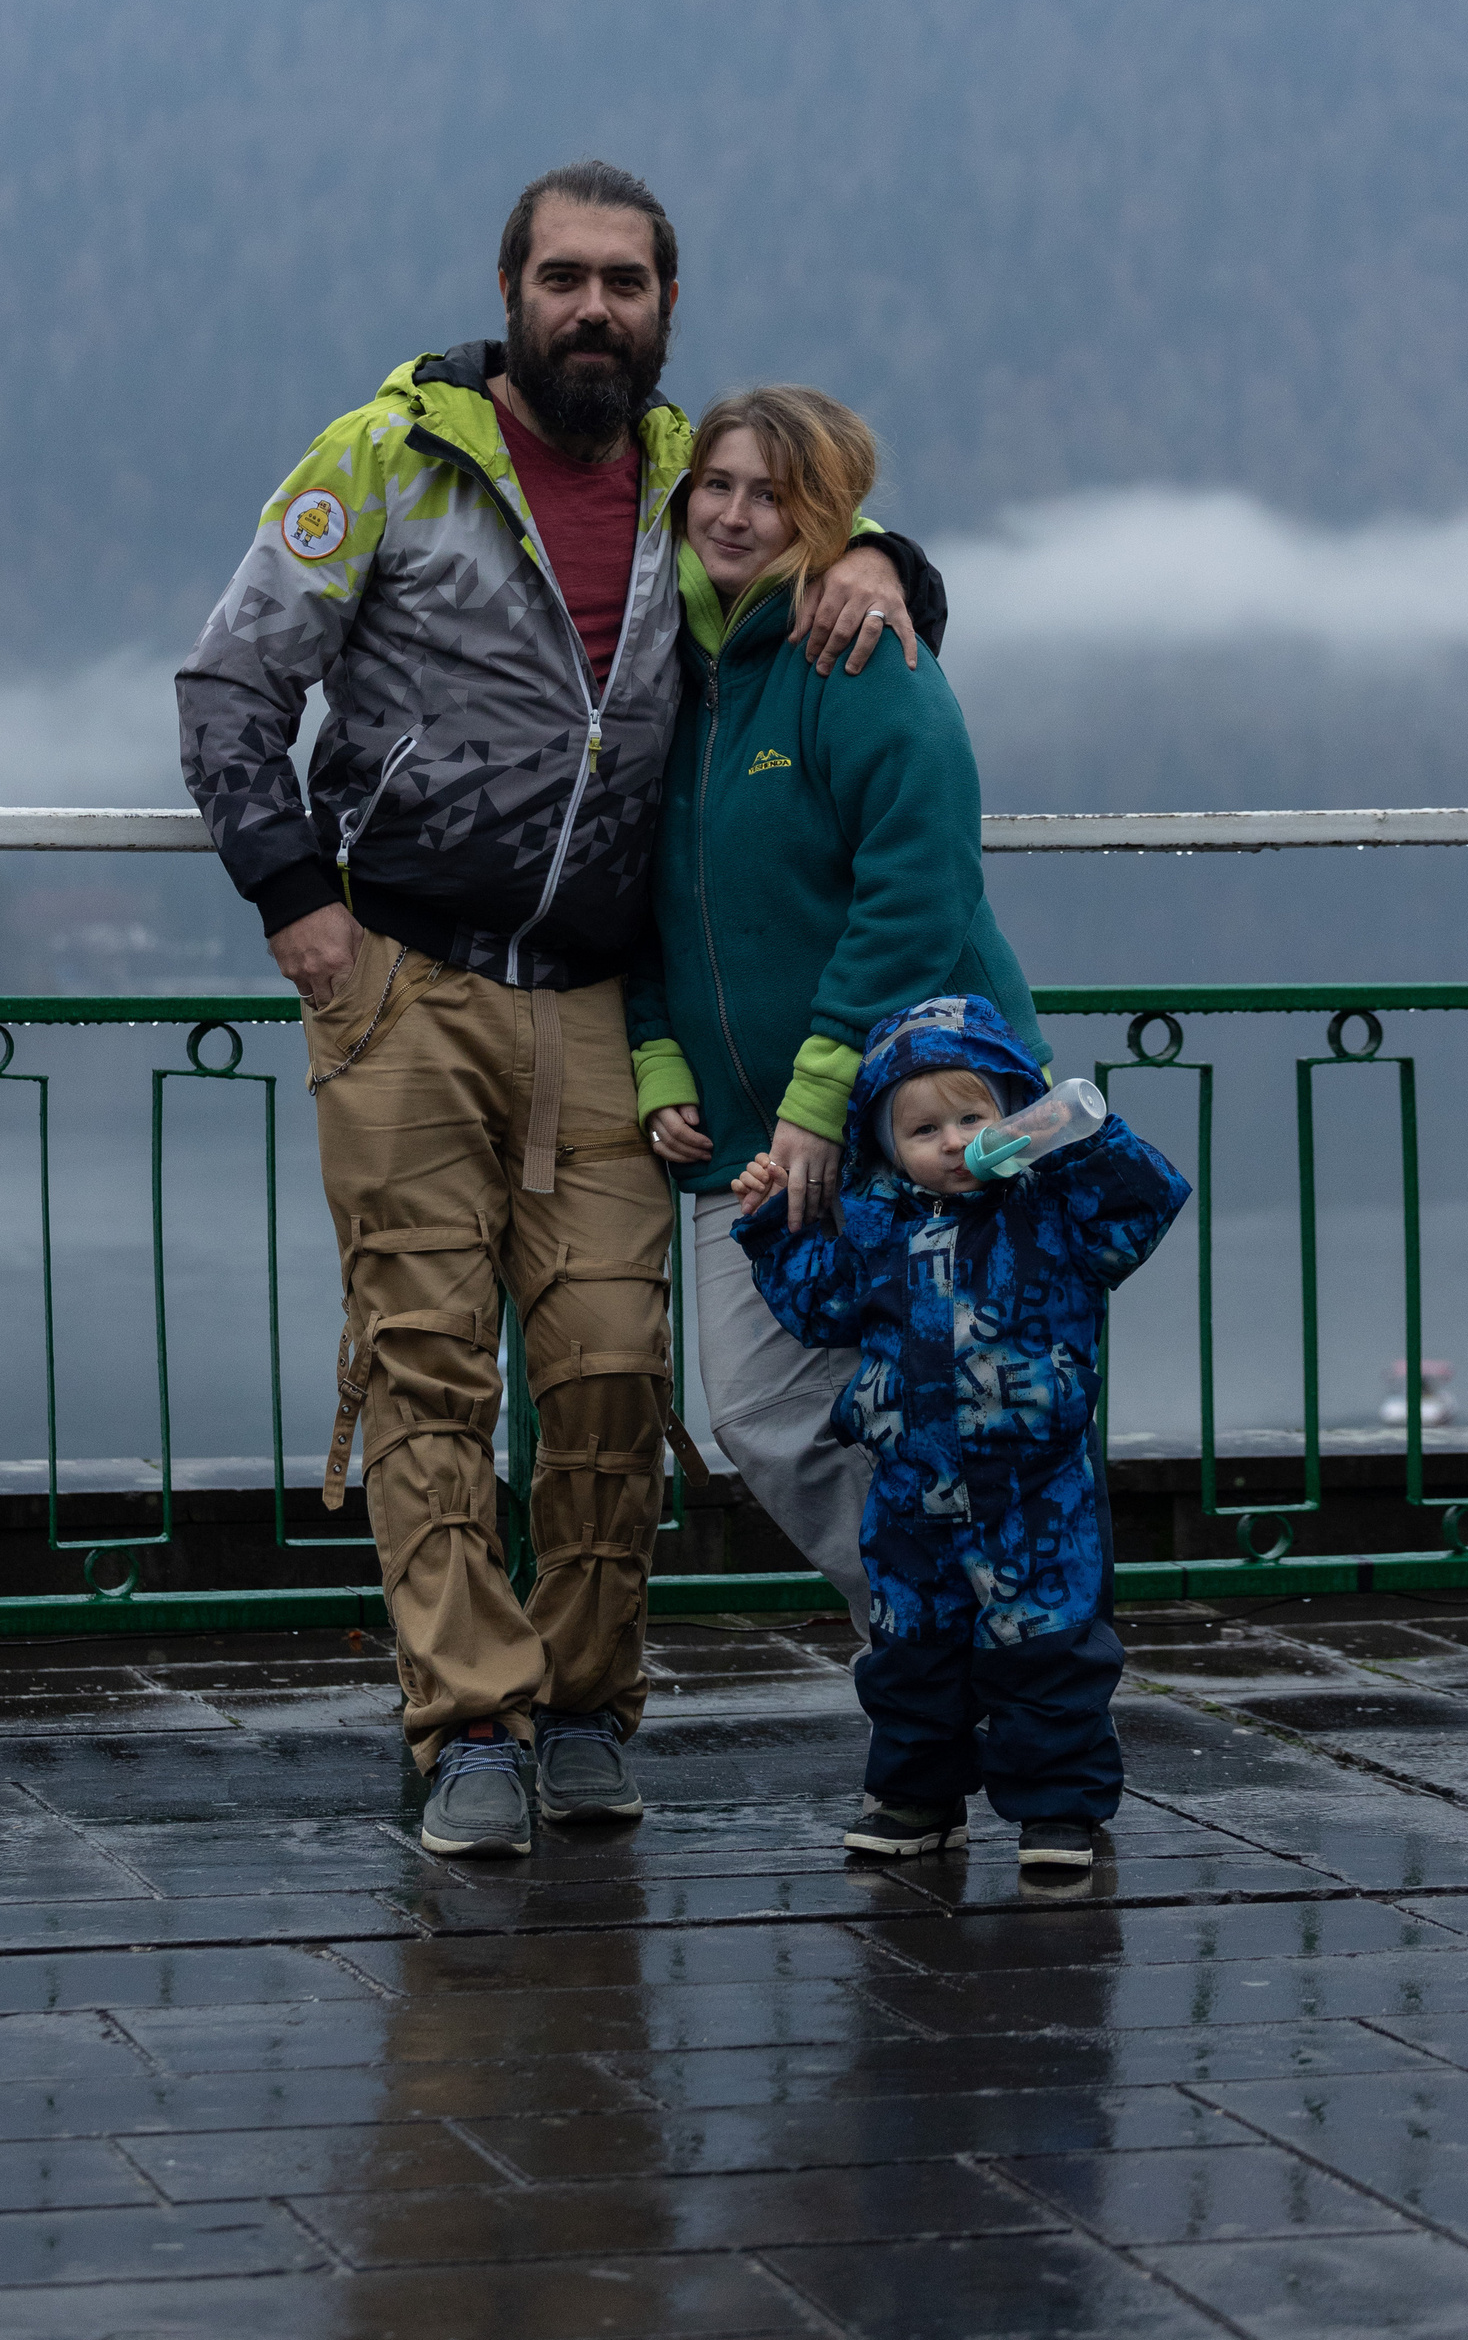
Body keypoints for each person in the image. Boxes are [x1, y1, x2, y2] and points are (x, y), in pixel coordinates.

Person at [176, 161, 935, 1858]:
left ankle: (588, 1706)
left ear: (666, 310)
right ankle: (469, 1729)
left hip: (603, 1004)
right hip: (405, 984)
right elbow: (233, 682)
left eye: (627, 283)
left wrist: (889, 556)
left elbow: (799, 550)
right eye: (566, 277)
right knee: (427, 1373)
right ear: (512, 292)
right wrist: (295, 900)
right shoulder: (386, 457)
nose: (595, 308)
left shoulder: (684, 479)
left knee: (608, 1372)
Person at [628, 386, 1048, 1635]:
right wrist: (655, 1049)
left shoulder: (861, 652)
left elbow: (919, 890)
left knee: (956, 1405)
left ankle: (990, 1667)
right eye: (717, 486)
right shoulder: (653, 664)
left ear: (828, 515)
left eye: (774, 495)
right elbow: (622, 886)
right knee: (767, 1412)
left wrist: (822, 1094)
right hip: (746, 1134)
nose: (736, 516)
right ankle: (946, 1635)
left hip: (919, 1114)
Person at [732, 993, 1190, 1871]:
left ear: (1015, 1115)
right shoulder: (875, 1226)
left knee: (1049, 1650)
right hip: (911, 1492)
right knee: (911, 1653)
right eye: (923, 1130)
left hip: (1037, 1492)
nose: (952, 1143)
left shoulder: (1054, 1212)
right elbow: (817, 1307)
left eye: (973, 1119)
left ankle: (1058, 1810)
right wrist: (767, 1222)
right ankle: (918, 1799)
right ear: (885, 1146)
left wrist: (1079, 1141)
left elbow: (1145, 1208)